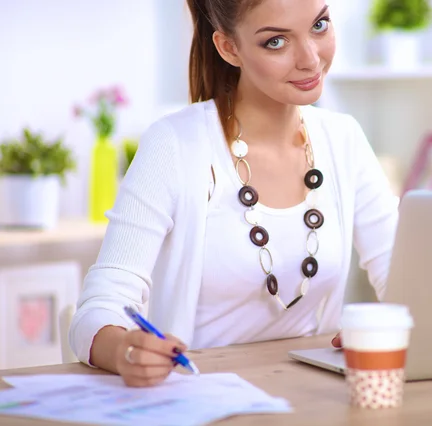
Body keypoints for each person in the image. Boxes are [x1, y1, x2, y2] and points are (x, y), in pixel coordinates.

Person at [69, 0, 399, 388]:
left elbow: (404, 276)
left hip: (315, 399)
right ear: (228, 48)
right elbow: (98, 309)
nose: (310, 59)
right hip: (199, 398)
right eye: (276, 42)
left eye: (320, 25)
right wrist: (127, 350)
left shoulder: (343, 139)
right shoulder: (175, 144)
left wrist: (382, 327)